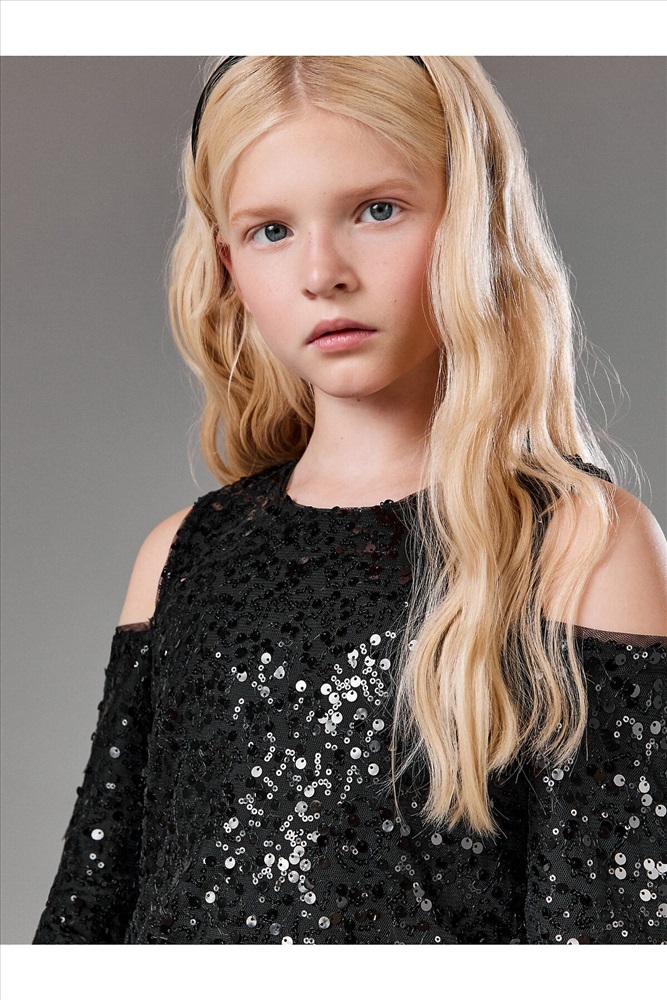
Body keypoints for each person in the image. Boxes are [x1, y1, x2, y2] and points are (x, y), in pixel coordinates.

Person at [34, 56, 666, 945]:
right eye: (270, 230)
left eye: (376, 210)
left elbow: (608, 944)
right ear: (227, 264)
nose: (322, 272)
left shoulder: (576, 546)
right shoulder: (178, 555)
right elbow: (85, 918)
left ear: (472, 219)